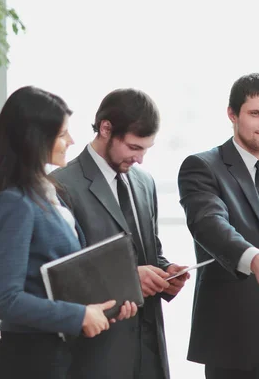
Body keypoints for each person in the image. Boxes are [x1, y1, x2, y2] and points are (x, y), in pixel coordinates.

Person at [0, 86, 136, 379]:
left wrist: (107, 306)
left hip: (60, 354)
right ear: (35, 139)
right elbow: (5, 299)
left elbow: (60, 280)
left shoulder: (49, 193)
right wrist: (79, 315)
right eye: (62, 133)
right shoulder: (15, 202)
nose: (71, 140)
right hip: (30, 359)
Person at [177, 73, 259, 379]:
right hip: (236, 330)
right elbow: (209, 225)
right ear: (232, 114)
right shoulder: (202, 167)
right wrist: (257, 261)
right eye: (255, 114)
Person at [51, 88, 189, 379]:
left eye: (146, 149)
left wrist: (166, 274)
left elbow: (150, 251)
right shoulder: (60, 186)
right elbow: (62, 279)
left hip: (151, 352)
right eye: (133, 147)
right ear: (105, 128)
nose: (140, 159)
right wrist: (128, 278)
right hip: (99, 354)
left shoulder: (144, 182)